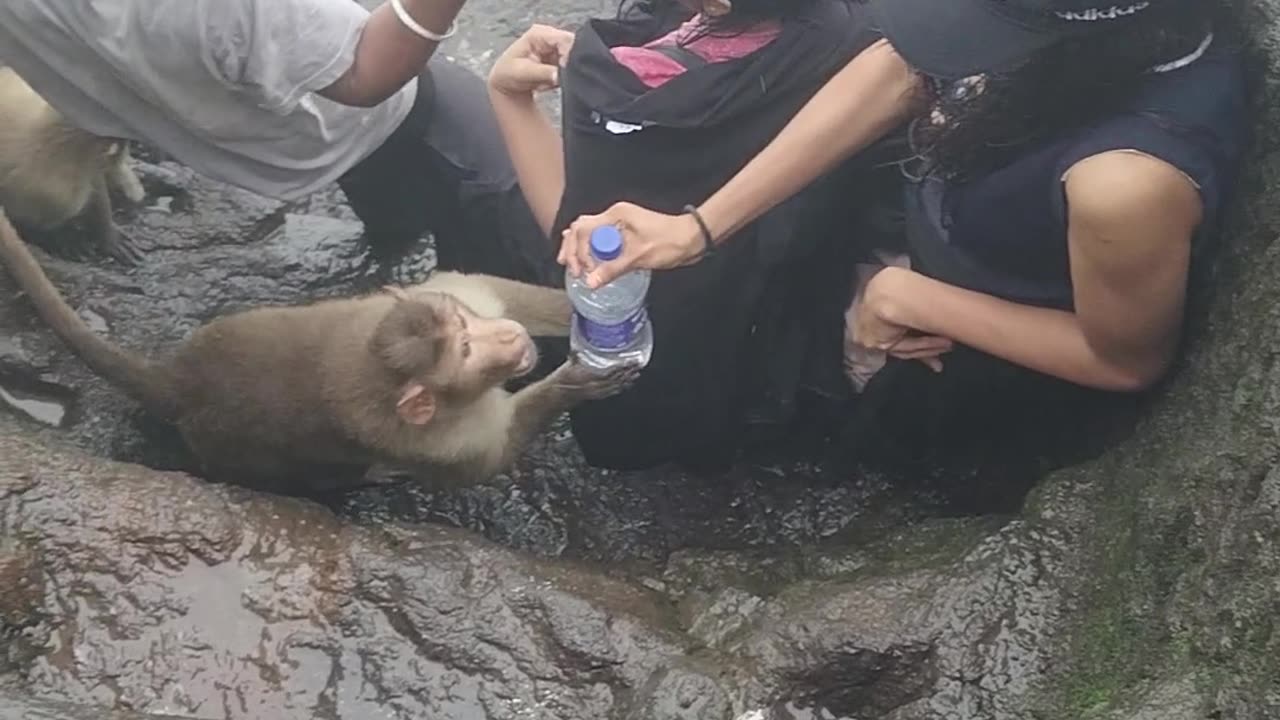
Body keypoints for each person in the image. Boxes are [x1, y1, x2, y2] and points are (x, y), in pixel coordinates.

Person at [559, 0, 1252, 464]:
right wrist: (700, 228)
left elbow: (1126, 361)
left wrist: (908, 297)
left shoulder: (1126, 184)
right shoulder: (1089, 37)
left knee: (701, 384)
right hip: (934, 206)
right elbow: (903, 67)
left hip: (949, 344)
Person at [487, 0, 888, 470]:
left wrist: (509, 98)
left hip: (667, 365)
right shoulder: (864, 38)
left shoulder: (625, 85)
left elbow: (584, 240)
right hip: (785, 332)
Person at [0, 0, 553, 281]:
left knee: (386, 197)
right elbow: (367, 73)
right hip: (379, 113)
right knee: (533, 244)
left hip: (257, 142)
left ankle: (392, 239)